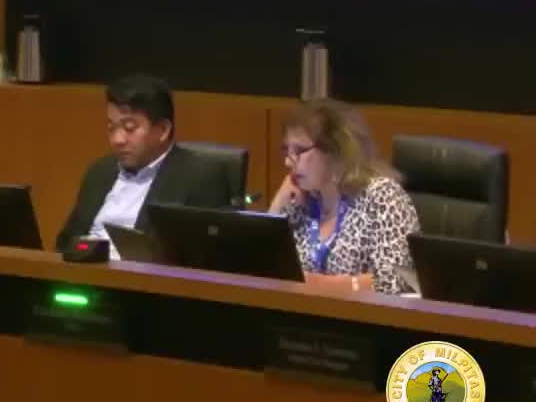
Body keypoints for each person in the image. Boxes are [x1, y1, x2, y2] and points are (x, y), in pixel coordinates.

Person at [56, 75, 231, 256]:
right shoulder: (100, 171)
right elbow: (65, 241)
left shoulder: (200, 177)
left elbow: (205, 256)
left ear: (163, 130)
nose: (117, 140)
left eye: (129, 128)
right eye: (111, 127)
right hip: (84, 269)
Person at [268, 99, 420, 294]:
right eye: (286, 151)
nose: (288, 162)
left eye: (298, 151)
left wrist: (322, 285)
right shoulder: (299, 200)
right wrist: (278, 204)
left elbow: (396, 281)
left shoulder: (382, 197)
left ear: (333, 150)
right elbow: (263, 266)